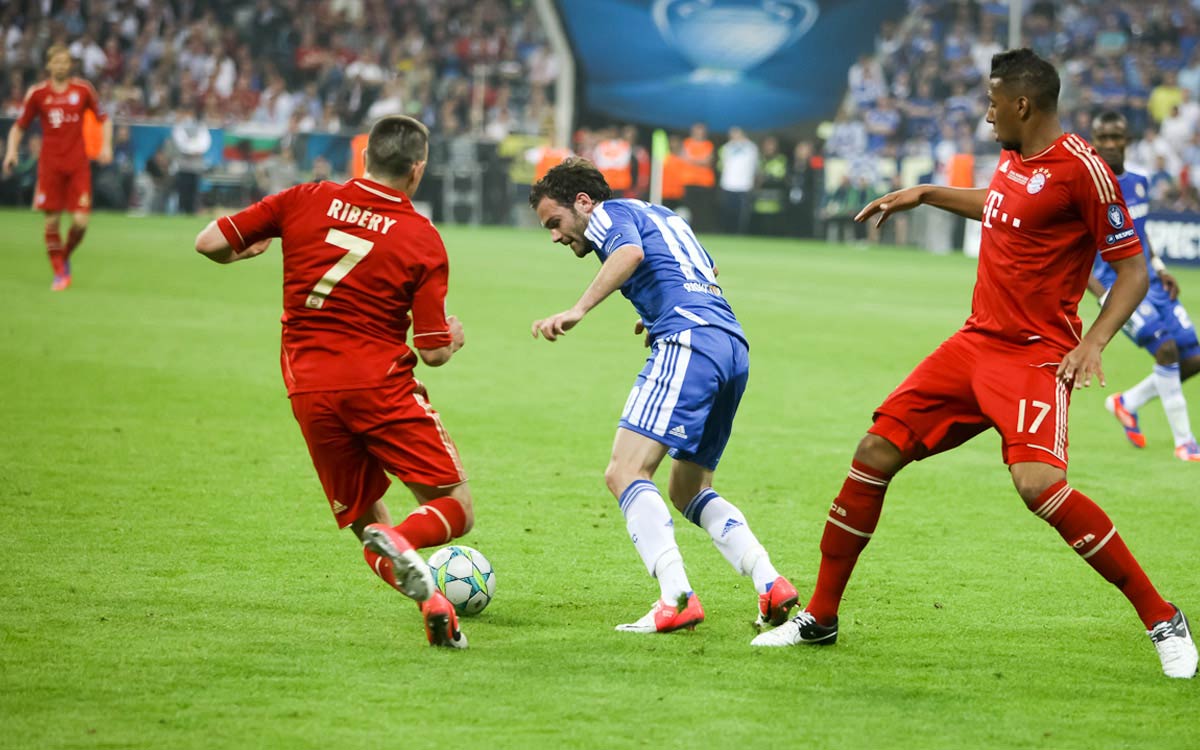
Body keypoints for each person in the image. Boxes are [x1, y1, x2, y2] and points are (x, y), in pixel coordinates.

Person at [751, 49, 1197, 679]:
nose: (986, 116)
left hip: (1034, 357)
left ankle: (1162, 618)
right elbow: (1002, 203)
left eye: (992, 103)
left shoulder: (1085, 170)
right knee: (875, 451)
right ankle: (820, 618)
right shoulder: (1015, 158)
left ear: (1022, 103)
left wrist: (1093, 341)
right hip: (973, 345)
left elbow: (1132, 270)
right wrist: (927, 193)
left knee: (1039, 486)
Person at [193, 115, 473, 649]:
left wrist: (245, 250)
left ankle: (434, 604)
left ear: (364, 156)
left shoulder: (304, 198)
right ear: (417, 170)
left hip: (309, 390)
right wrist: (454, 337)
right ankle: (404, 541)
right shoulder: (421, 237)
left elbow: (210, 242)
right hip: (379, 384)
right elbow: (433, 350)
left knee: (367, 525)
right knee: (453, 505)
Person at [528, 157, 798, 634]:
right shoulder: (665, 215)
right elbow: (705, 268)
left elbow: (629, 254)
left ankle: (675, 597)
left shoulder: (610, 215)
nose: (554, 236)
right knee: (688, 489)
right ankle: (770, 581)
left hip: (689, 340)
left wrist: (579, 309)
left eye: (556, 222)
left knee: (625, 471)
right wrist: (656, 310)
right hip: (731, 345)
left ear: (584, 202)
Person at [1086, 111, 1200, 462]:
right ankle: (1185, 441)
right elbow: (1075, 251)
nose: (1109, 144)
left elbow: (1139, 230)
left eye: (1115, 137)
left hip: (1148, 277)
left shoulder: (1138, 181)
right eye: (1102, 138)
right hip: (1115, 285)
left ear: (1126, 140)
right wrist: (1103, 295)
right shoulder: (1087, 187)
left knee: (1193, 358)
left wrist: (1160, 267)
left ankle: (1127, 403)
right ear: (1094, 141)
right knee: (1166, 351)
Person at [3, 44, 112, 291]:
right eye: (57, 62)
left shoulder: (83, 90)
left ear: (70, 65)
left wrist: (106, 146)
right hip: (50, 165)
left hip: (77, 165)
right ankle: (60, 273)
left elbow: (104, 119)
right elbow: (19, 126)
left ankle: (63, 256)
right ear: (49, 65)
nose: (62, 66)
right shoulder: (38, 94)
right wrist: (11, 151)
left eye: (66, 62)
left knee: (81, 222)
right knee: (51, 222)